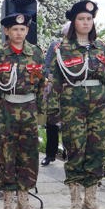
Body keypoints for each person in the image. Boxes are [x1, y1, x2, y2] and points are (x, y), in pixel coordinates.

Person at [48, 1, 105, 209]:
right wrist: (53, 112)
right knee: (75, 149)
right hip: (72, 105)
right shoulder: (62, 48)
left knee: (97, 150)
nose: (86, 22)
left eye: (89, 19)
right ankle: (75, 201)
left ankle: (91, 201)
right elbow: (55, 82)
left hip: (99, 106)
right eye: (81, 19)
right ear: (74, 22)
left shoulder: (101, 47)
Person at [0, 11, 45, 209]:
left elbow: (41, 87)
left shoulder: (36, 53)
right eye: (15, 29)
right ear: (6, 31)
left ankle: (24, 202)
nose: (19, 33)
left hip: (29, 110)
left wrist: (41, 117)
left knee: (28, 157)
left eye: (23, 29)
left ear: (27, 31)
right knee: (6, 156)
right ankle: (7, 204)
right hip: (6, 111)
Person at [41, 22, 69, 165]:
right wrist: (51, 77)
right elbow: (45, 66)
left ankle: (68, 153)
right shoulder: (55, 46)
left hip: (72, 91)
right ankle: (50, 154)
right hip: (55, 90)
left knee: (69, 124)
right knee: (52, 124)